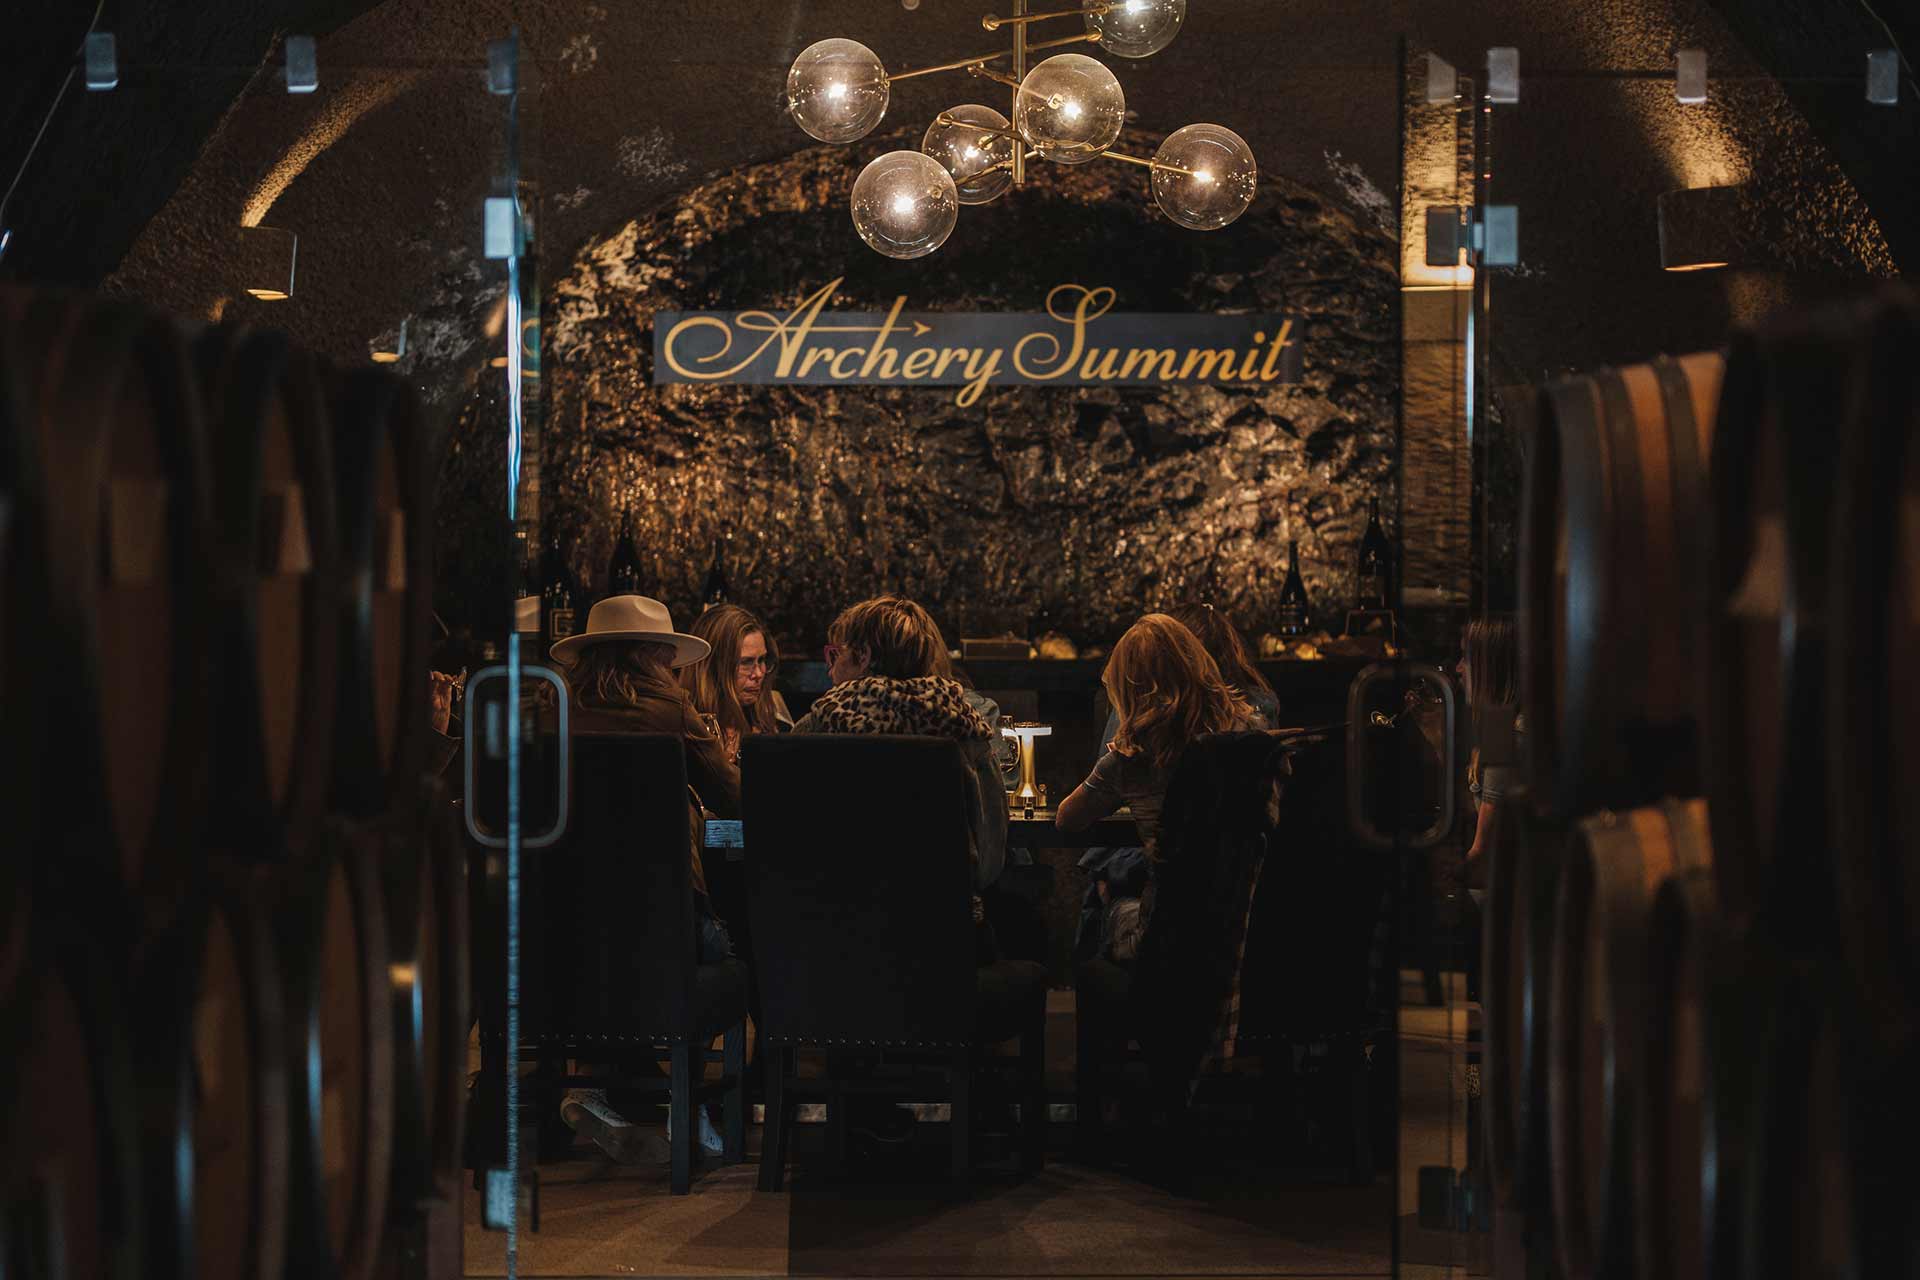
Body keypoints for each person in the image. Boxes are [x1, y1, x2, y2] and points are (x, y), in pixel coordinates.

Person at [547, 594, 736, 1163]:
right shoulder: (671, 710)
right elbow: (734, 797)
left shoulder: (546, 711)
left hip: (561, 933)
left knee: (606, 939)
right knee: (725, 946)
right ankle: (687, 1102)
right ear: (652, 654)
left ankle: (590, 1082)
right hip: (663, 930)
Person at [1058, 613, 1261, 961]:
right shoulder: (1252, 736)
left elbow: (1067, 820)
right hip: (1242, 930)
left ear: (1128, 689)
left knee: (1107, 903)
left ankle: (1090, 986)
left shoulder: (1129, 760)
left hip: (1165, 938)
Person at [792, 594, 1009, 892]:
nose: (831, 669)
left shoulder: (819, 725)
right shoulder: (964, 728)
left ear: (863, 656)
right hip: (941, 909)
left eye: (836, 655)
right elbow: (990, 854)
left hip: (832, 905)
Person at [1456, 615, 1521, 892]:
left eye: (1466, 659)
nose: (1458, 668)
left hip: (1505, 892)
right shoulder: (1499, 721)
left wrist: (1448, 874)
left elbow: (1482, 852)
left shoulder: (1510, 732)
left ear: (1490, 667)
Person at [681, 603, 793, 764]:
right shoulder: (682, 731)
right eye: (746, 662)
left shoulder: (774, 727)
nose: (759, 674)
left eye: (762, 660)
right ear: (714, 667)